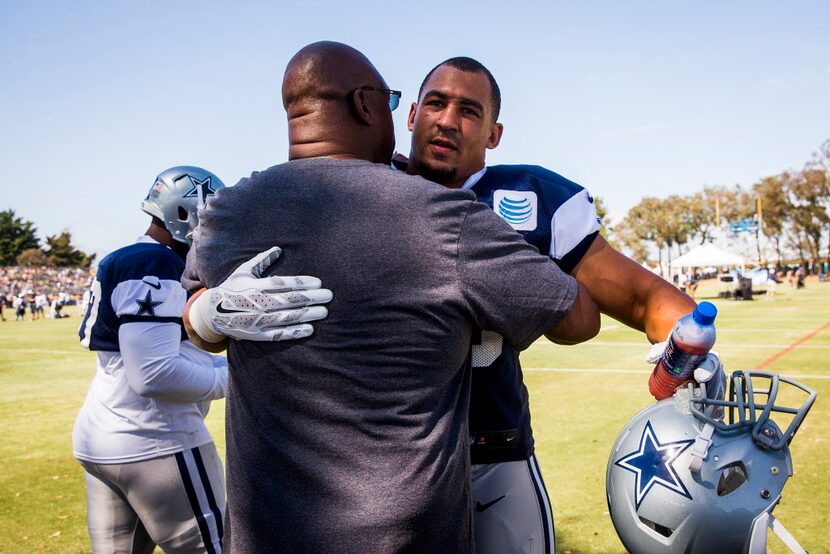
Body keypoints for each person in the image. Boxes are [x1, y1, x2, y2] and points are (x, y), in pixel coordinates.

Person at [195, 56, 724, 553]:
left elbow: (635, 294)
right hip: (381, 471)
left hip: (494, 449)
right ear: (408, 116)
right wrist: (203, 312)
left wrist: (687, 339)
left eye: (469, 111)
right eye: (435, 103)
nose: (448, 120)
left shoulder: (532, 196)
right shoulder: (363, 192)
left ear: (493, 133)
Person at [73, 166, 231, 553]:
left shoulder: (126, 257)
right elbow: (154, 374)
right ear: (187, 213)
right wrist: (237, 376)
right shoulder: (155, 264)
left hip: (104, 439)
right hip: (156, 441)